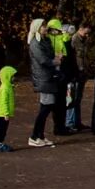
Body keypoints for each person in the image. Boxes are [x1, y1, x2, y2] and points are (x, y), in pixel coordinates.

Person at [26, 19, 63, 148]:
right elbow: (42, 59)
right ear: (37, 28)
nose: (45, 28)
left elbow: (50, 55)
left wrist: (56, 58)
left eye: (45, 26)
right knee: (46, 107)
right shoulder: (35, 43)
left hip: (49, 76)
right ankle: (34, 136)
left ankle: (40, 135)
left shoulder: (45, 40)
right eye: (43, 26)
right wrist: (55, 62)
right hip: (43, 78)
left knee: (46, 106)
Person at [0, 65, 16, 152]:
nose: (14, 78)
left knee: (3, 129)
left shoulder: (8, 86)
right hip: (1, 113)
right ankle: (0, 144)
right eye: (12, 76)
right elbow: (4, 101)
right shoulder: (5, 88)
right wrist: (6, 113)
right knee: (2, 129)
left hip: (2, 113)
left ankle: (1, 143)